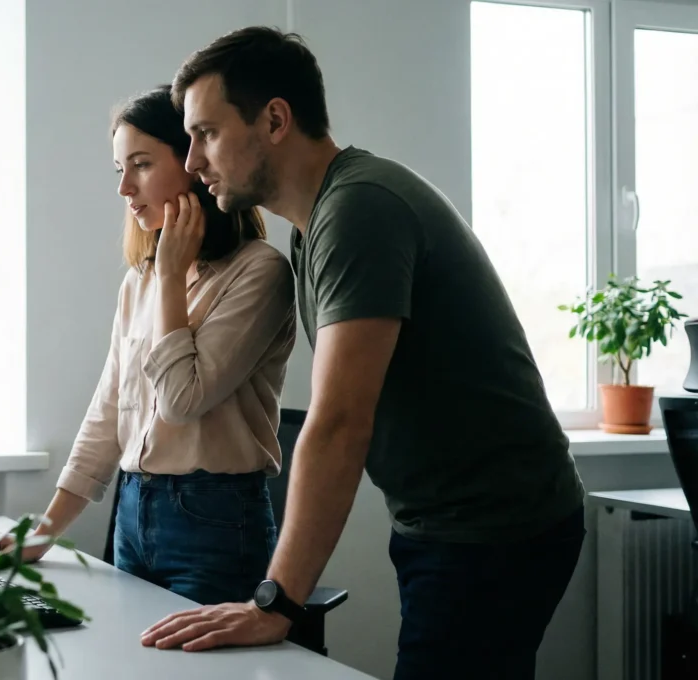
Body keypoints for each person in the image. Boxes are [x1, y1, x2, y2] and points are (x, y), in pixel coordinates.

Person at [137, 27, 586, 679]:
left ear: (275, 120)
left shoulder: (358, 210)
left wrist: (276, 602)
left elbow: (340, 422)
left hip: (496, 526)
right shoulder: (317, 225)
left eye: (205, 133)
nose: (193, 161)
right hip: (446, 522)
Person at [0, 85, 297, 606]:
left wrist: (172, 277)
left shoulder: (259, 273)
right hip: (133, 511)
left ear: (193, 162)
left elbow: (180, 400)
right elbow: (109, 409)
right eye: (119, 169)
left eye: (142, 164)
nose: (124, 187)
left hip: (216, 525)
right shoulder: (140, 280)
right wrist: (42, 533)